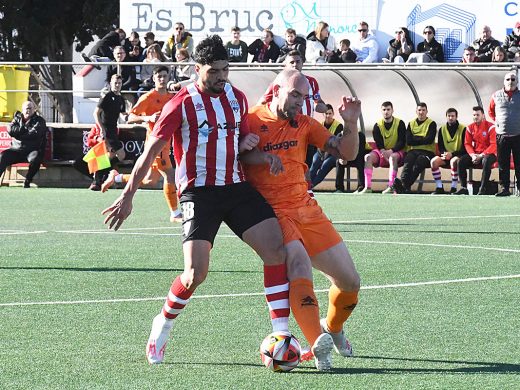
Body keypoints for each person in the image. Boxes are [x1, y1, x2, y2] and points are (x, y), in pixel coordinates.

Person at [102, 35, 292, 366]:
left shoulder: (238, 97)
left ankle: (282, 334)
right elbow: (150, 152)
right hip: (198, 193)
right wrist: (128, 194)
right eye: (213, 71)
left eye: (225, 69)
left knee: (276, 249)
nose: (221, 77)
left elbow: (243, 145)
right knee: (195, 274)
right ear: (196, 69)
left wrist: (260, 154)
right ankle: (163, 323)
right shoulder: (180, 104)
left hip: (235, 187)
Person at [243, 69, 361, 370]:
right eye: (295, 94)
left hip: (308, 209)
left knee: (349, 282)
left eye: (304, 97)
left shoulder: (305, 123)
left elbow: (346, 153)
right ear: (276, 90)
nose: (300, 102)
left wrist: (350, 123)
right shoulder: (251, 120)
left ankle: (332, 327)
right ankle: (316, 346)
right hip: (274, 213)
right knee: (297, 262)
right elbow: (234, 156)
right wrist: (248, 151)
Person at [102, 65, 182, 222]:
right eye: (159, 76)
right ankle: (175, 213)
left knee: (150, 181)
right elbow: (130, 117)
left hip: (167, 144)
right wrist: (148, 118)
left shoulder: (171, 97)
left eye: (165, 76)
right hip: (156, 144)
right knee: (170, 176)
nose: (162, 79)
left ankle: (117, 177)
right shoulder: (148, 98)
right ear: (153, 79)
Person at [361, 101, 406, 194]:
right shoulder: (377, 125)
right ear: (381, 111)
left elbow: (402, 141)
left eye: (388, 109)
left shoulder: (400, 123)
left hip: (396, 152)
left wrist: (391, 151)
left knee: (393, 157)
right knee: (367, 157)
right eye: (384, 110)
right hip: (383, 152)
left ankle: (391, 186)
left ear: (392, 110)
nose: (386, 112)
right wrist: (383, 151)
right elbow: (378, 142)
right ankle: (367, 187)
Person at [0, 101, 47, 188]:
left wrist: (19, 133)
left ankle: (28, 180)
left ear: (34, 110)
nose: (28, 110)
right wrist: (24, 130)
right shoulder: (16, 119)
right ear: (22, 110)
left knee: (36, 158)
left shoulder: (40, 120)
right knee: (2, 156)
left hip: (31, 150)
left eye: (30, 108)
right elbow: (10, 130)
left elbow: (34, 134)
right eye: (26, 108)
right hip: (16, 149)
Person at [392, 102, 437, 194]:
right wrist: (421, 139)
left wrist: (415, 138)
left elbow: (429, 139)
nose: (421, 112)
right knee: (408, 161)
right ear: (416, 111)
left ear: (427, 111)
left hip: (427, 152)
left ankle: (403, 185)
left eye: (423, 110)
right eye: (419, 110)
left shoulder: (431, 123)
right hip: (413, 150)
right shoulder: (411, 123)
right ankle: (404, 186)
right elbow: (408, 141)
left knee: (419, 162)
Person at [92, 74, 127, 191]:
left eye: (119, 83)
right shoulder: (107, 96)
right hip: (106, 130)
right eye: (115, 83)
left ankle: (98, 180)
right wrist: (101, 128)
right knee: (120, 155)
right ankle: (100, 178)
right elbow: (96, 113)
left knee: (110, 156)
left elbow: (123, 114)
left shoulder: (120, 99)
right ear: (111, 84)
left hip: (113, 129)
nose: (117, 85)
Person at [488, 72, 520, 196]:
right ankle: (504, 189)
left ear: (517, 82)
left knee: (519, 163)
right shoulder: (496, 95)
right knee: (503, 164)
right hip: (501, 135)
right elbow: (491, 111)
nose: (510, 81)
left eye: (513, 79)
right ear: (504, 81)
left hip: (518, 135)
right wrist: (498, 122)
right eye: (508, 79)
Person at [454, 106, 497, 195]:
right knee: (461, 161)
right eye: (474, 115)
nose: (475, 117)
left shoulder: (491, 127)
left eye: (478, 115)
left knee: (486, 160)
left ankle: (483, 188)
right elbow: (467, 144)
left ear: (483, 115)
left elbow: (493, 145)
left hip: (490, 154)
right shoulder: (470, 127)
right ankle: (464, 188)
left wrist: (481, 155)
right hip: (475, 155)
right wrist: (473, 155)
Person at [430, 108, 467, 194]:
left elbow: (465, 148)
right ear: (446, 117)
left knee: (453, 161)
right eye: (449, 116)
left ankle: (453, 187)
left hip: (458, 155)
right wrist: (444, 154)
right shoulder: (442, 129)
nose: (451, 118)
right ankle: (439, 187)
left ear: (456, 117)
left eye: (453, 116)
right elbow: (440, 146)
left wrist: (452, 154)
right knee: (433, 162)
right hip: (446, 156)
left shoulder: (463, 129)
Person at [308, 104, 343, 187]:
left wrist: (325, 156)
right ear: (323, 114)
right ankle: (306, 185)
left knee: (325, 165)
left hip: (334, 154)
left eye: (330, 113)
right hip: (321, 152)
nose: (328, 116)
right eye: (326, 114)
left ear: (333, 114)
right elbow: (316, 141)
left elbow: (336, 145)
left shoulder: (339, 126)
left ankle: (312, 185)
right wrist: (321, 154)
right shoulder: (320, 125)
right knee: (314, 163)